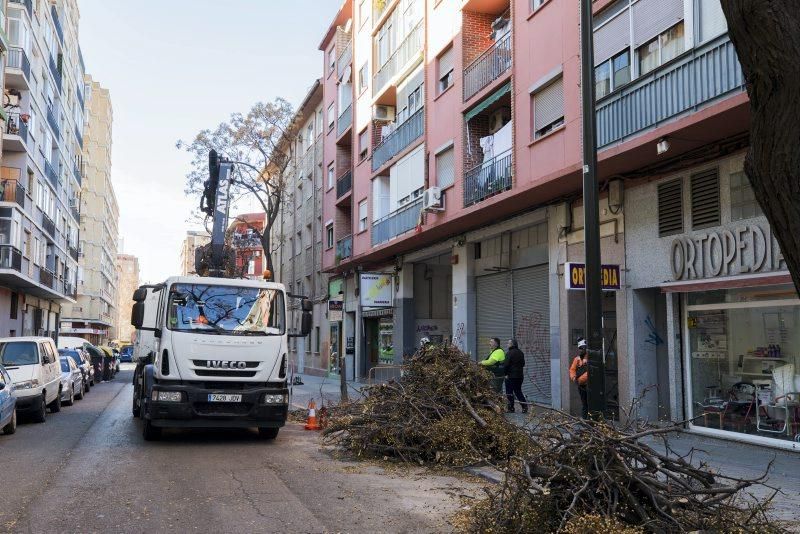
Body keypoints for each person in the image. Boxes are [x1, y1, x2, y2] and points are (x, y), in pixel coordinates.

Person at [504, 339, 527, 413]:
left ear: (512, 344)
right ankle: (524, 407)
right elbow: (523, 364)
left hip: (511, 376)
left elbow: (506, 365)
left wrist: (506, 374)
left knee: (509, 392)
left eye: (508, 343)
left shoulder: (509, 353)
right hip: (520, 376)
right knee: (518, 391)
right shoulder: (521, 353)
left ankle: (511, 408)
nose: (507, 344)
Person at [569, 338, 589, 418]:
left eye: (583, 348)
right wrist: (573, 377)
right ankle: (585, 420)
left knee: (590, 404)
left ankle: (591, 421)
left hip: (590, 385)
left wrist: (580, 379)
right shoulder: (577, 359)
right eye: (580, 348)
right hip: (582, 386)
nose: (581, 350)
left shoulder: (590, 358)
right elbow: (572, 369)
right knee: (584, 403)